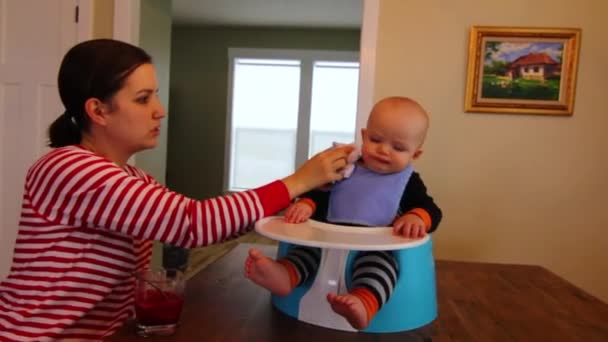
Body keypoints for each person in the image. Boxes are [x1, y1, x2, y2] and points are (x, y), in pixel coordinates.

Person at [0, 39, 354, 341]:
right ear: (98, 110)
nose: (160, 111)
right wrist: (299, 179)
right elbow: (191, 224)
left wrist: (297, 202)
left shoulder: (136, 180)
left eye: (155, 96)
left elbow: (212, 227)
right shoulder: (68, 167)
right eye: (142, 99)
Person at [245, 96, 442, 330]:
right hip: (325, 240)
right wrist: (307, 204)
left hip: (373, 247)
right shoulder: (347, 167)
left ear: (415, 154)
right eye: (376, 139)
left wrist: (416, 217)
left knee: (381, 268)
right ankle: (285, 276)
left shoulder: (407, 181)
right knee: (305, 251)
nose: (383, 150)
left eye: (398, 147)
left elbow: (432, 210)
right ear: (363, 135)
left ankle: (363, 302)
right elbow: (322, 192)